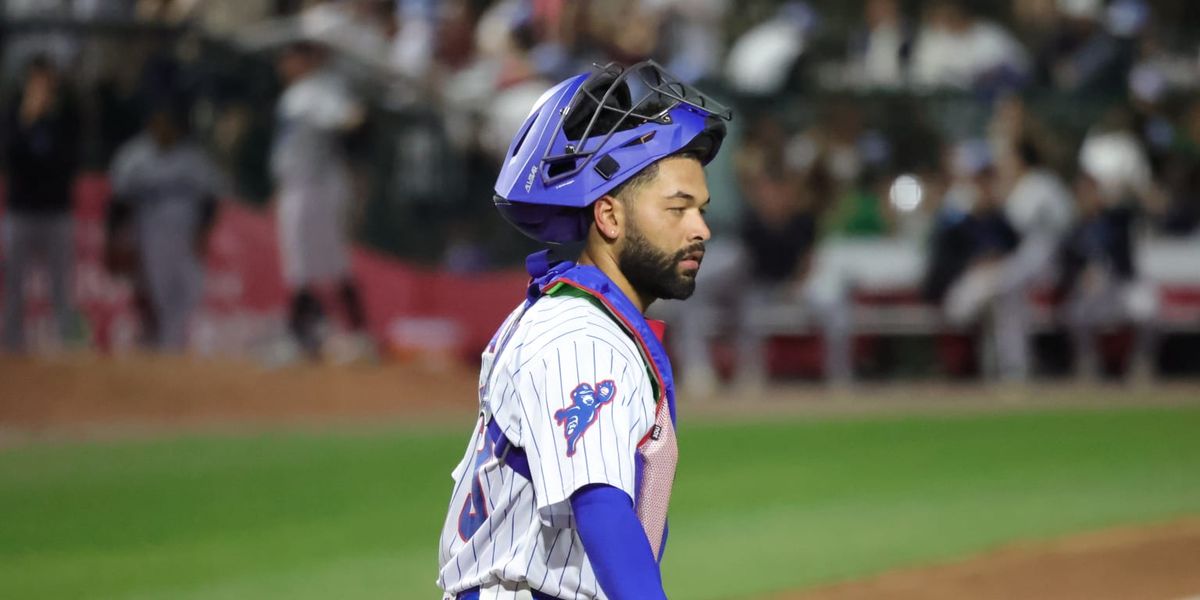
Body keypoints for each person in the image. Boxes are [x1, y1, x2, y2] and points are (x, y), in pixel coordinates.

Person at [436, 60, 730, 599]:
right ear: (609, 217)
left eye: (702, 209)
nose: (701, 229)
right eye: (678, 208)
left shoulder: (575, 314)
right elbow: (600, 504)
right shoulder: (579, 335)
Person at [270, 41, 373, 362]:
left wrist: (355, 113)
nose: (285, 63)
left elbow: (349, 118)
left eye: (291, 56)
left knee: (313, 263)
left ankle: (307, 338)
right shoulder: (303, 91)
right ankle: (327, 335)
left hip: (315, 185)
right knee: (317, 263)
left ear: (307, 59)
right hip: (302, 183)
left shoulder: (312, 91)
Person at [108, 101, 223, 351]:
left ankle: (170, 345)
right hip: (148, 233)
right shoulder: (133, 156)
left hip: (184, 233)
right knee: (155, 292)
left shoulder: (192, 158)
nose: (164, 129)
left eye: (168, 123)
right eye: (158, 123)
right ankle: (164, 347)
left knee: (189, 289)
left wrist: (202, 232)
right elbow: (118, 202)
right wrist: (114, 238)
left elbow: (210, 200)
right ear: (149, 125)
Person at [2, 55, 82, 353]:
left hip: (56, 212)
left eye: (45, 81)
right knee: (14, 284)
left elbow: (69, 161)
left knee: (62, 285)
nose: (41, 87)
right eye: (35, 80)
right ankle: (11, 345)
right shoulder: (14, 114)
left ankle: (66, 345)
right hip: (20, 212)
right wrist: (27, 120)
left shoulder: (66, 116)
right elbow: (11, 157)